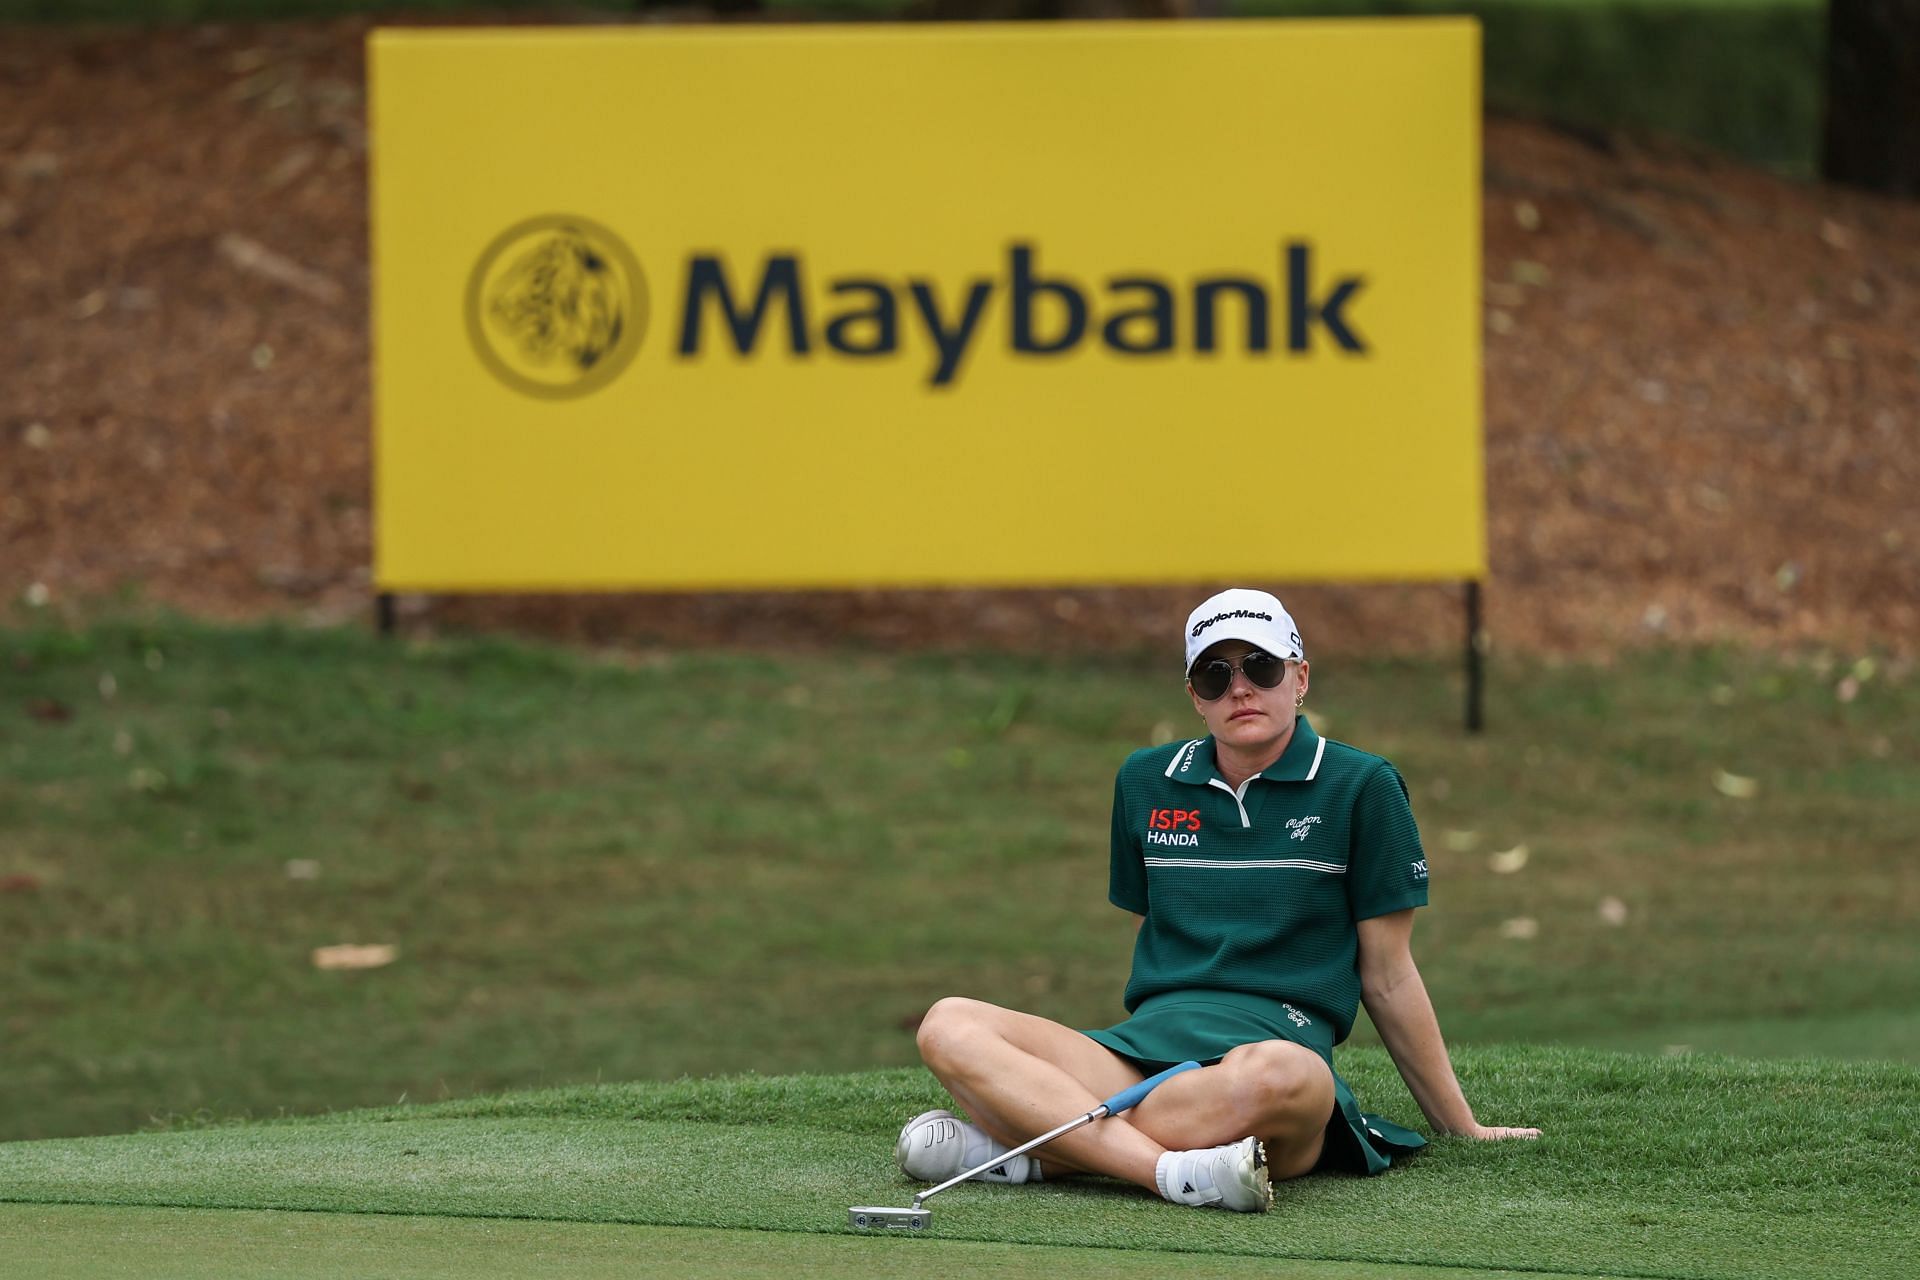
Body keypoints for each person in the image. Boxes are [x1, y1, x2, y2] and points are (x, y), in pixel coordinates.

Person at [897, 588, 1540, 1212]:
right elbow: (1155, 931)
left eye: (1260, 666)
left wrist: (1461, 1125)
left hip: (1272, 1056)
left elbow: (1390, 974)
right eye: (1214, 675)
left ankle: (1029, 1149)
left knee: (1285, 1077)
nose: (1240, 688)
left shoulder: (1363, 786)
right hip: (1137, 1056)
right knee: (949, 1023)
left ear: (1300, 677)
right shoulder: (1143, 780)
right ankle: (1166, 1172)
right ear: (1194, 699)